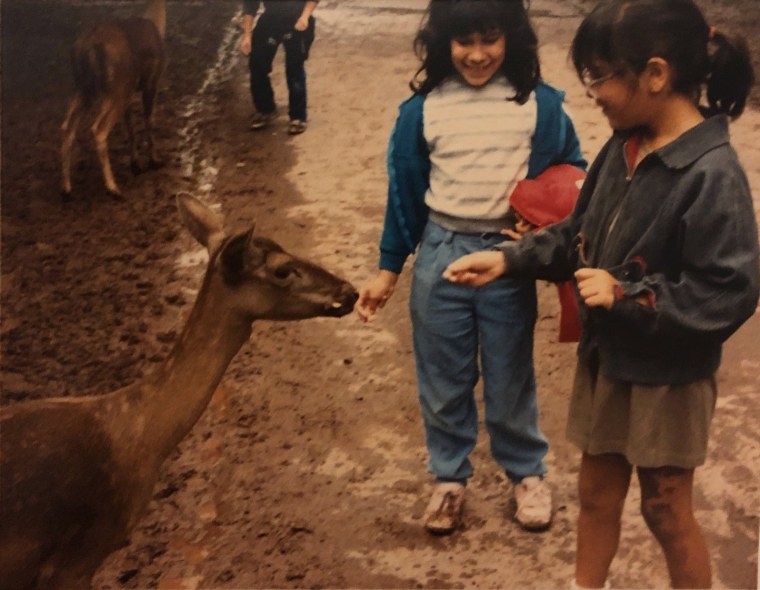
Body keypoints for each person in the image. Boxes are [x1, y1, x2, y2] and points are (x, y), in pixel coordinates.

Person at [444, 0, 759, 586]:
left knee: (664, 510)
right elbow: (576, 236)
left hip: (669, 377)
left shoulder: (713, 174)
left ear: (656, 75)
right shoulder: (624, 147)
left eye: (598, 75)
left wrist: (627, 295)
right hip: (609, 360)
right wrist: (509, 258)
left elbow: (728, 290)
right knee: (595, 495)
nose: (591, 90)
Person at [355, 0, 586, 536]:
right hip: (441, 251)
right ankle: (449, 480)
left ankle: (527, 473)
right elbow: (404, 195)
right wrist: (389, 269)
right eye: (464, 42)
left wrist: (545, 222)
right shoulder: (421, 110)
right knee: (443, 377)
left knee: (510, 374)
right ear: (442, 42)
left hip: (506, 261)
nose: (478, 55)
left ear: (512, 38)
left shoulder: (540, 105)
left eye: (490, 39)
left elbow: (573, 168)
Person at [239, 1, 319, 135]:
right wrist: (247, 35)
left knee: (294, 67)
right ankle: (266, 109)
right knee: (257, 63)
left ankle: (298, 117)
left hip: (297, 19)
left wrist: (305, 16)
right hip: (271, 20)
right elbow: (250, 6)